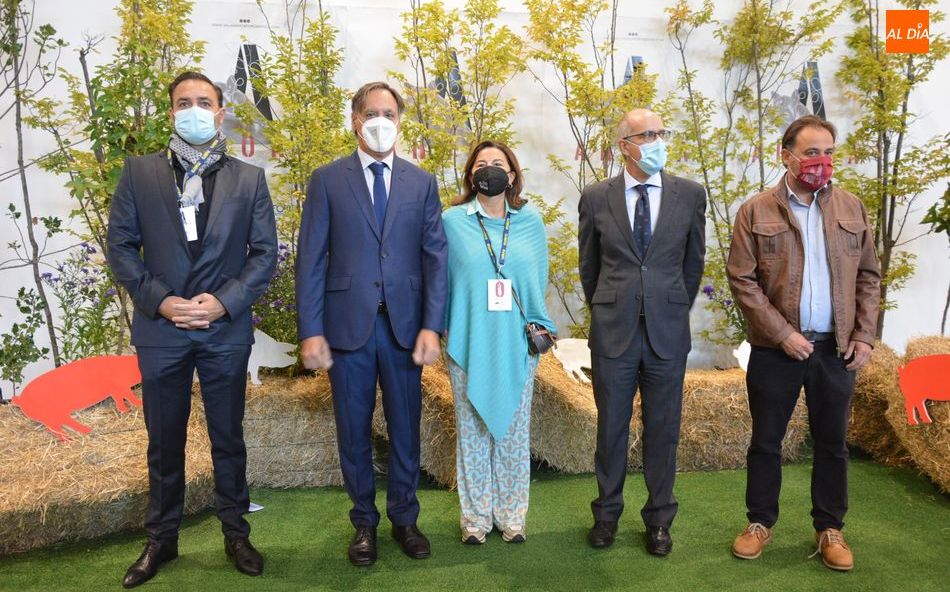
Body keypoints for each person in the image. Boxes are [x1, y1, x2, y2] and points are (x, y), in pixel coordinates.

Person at [107, 71, 277, 588]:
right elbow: (121, 247)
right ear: (171, 112)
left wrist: (222, 304)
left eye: (204, 102)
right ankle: (162, 539)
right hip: (163, 332)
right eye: (185, 102)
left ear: (221, 112)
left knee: (228, 436)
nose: (195, 110)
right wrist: (162, 303)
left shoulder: (249, 178)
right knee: (163, 439)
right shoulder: (139, 173)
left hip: (223, 331)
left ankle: (236, 533)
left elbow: (265, 254)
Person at [295, 81, 448, 566]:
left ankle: (405, 518)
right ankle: (364, 522)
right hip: (346, 329)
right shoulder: (327, 179)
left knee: (406, 427)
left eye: (390, 113)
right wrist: (310, 330)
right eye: (371, 113)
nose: (381, 121)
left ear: (399, 121)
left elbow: (434, 259)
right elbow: (311, 259)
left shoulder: (420, 182)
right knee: (353, 429)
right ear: (356, 120)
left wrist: (432, 326)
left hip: (405, 329)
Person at [727, 115, 881, 571]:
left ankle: (830, 528)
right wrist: (782, 334)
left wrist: (865, 336)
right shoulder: (755, 211)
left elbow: (869, 277)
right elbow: (742, 280)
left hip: (836, 350)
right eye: (812, 152)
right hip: (777, 350)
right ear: (786, 155)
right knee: (766, 442)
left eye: (829, 152)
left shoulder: (852, 208)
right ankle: (759, 523)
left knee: (833, 443)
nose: (822, 161)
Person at [578, 108, 706, 556]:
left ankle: (659, 521)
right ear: (624, 146)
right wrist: (615, 304)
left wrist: (667, 305)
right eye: (646, 134)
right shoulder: (596, 197)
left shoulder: (689, 194)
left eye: (660, 132)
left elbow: (693, 266)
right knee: (610, 428)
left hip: (667, 333)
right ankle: (606, 515)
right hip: (614, 334)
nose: (656, 140)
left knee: (663, 430)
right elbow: (589, 268)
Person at [442, 140, 556, 545]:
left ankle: (512, 517)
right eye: (481, 163)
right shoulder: (452, 221)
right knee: (471, 430)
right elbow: (442, 282)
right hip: (468, 339)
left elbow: (536, 282)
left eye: (498, 163)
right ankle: (474, 521)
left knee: (511, 429)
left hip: (515, 342)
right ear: (471, 174)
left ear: (512, 175)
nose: (489, 169)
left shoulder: (530, 222)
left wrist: (541, 331)